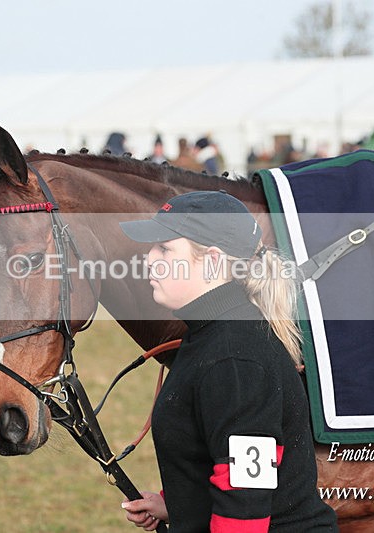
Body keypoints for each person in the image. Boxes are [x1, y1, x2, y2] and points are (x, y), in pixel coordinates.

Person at [119, 191, 338, 532]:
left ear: (213, 261)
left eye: (164, 249)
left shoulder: (235, 357)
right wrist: (177, 502)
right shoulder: (210, 334)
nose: (148, 259)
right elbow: (220, 455)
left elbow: (245, 504)